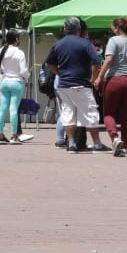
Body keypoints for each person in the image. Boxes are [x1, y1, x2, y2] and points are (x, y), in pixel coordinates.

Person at [45, 16, 111, 155]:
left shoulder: (59, 44)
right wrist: (93, 79)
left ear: (64, 29)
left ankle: (72, 144)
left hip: (64, 85)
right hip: (81, 83)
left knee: (68, 113)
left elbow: (50, 63)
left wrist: (60, 73)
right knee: (90, 113)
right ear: (79, 29)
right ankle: (97, 143)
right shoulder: (85, 44)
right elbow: (96, 63)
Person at [94, 18, 127, 157]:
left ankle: (114, 138)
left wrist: (99, 77)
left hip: (115, 79)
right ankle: (124, 145)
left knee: (108, 112)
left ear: (116, 28)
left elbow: (108, 59)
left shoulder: (114, 41)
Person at [0, 29, 30, 145]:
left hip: (4, 82)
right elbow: (23, 70)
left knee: (2, 108)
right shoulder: (19, 53)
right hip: (17, 82)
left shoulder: (3, 50)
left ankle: (0, 135)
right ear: (16, 40)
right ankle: (14, 136)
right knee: (13, 109)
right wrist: (27, 76)